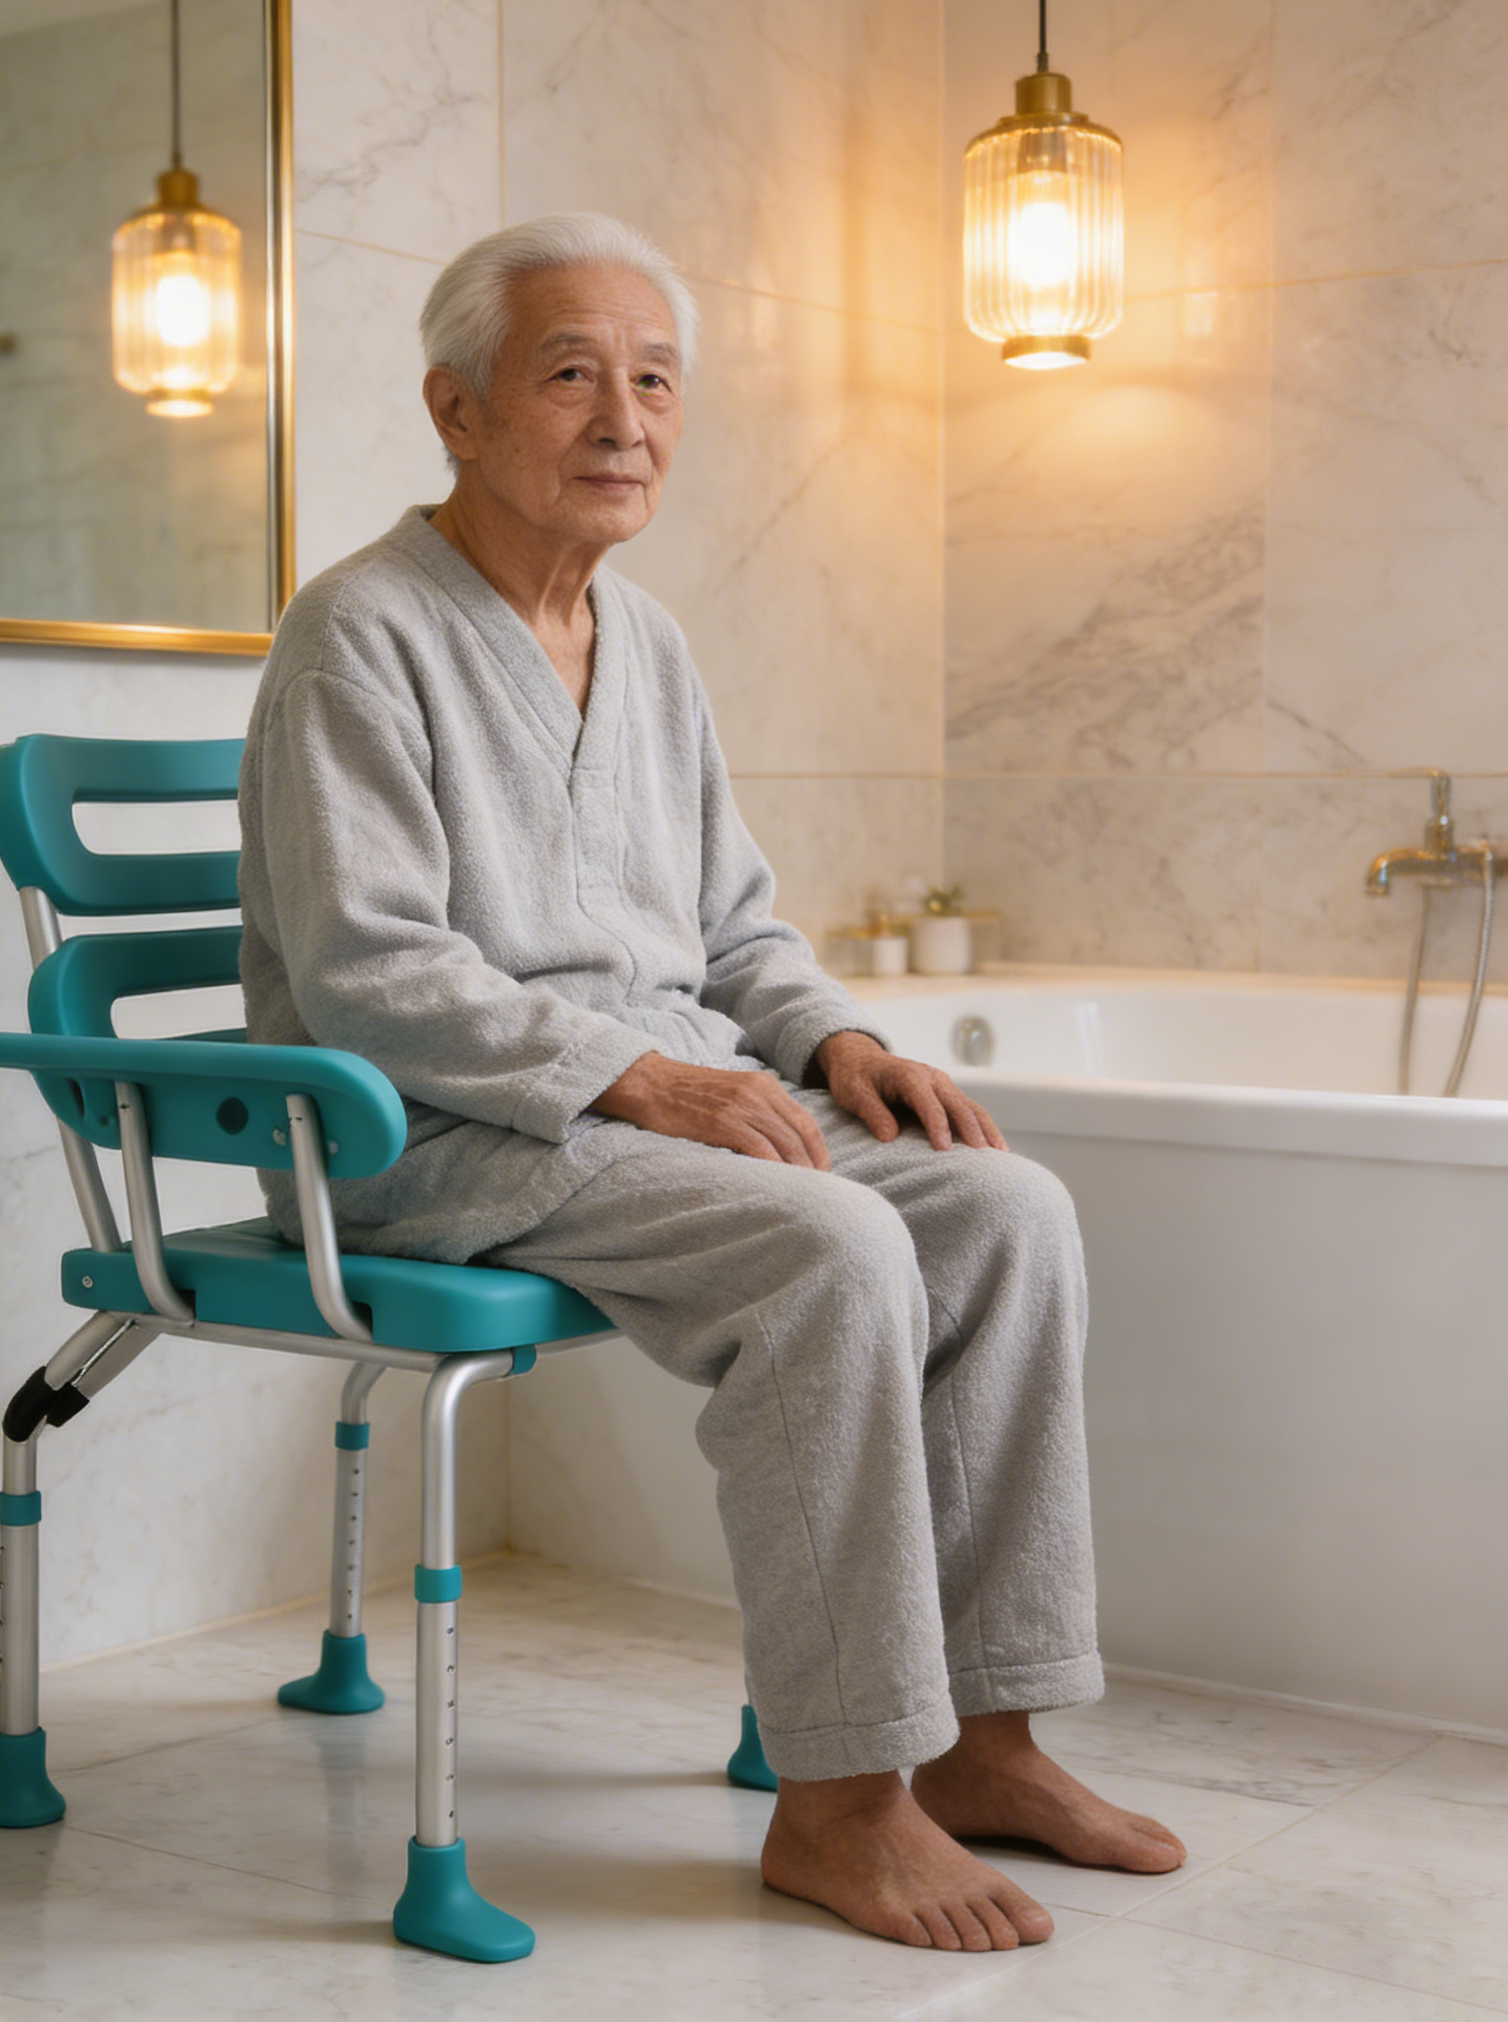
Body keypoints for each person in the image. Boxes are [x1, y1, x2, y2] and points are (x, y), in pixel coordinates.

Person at [237, 214, 1185, 1952]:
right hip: (441, 1128)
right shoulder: (355, 636)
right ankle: (840, 1803)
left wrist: (840, 1043)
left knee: (1003, 1210)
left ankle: (987, 1738)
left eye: (656, 381)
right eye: (573, 375)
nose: (627, 420)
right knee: (831, 1250)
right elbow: (374, 971)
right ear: (455, 409)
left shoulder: (645, 642)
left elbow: (735, 926)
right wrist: (633, 1079)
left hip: (652, 1104)